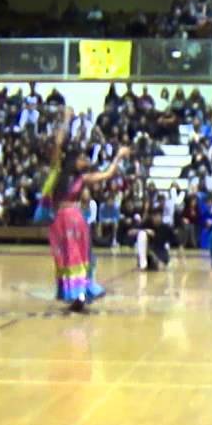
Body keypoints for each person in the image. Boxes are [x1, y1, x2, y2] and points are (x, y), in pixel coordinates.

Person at [46, 108, 130, 312]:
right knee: (65, 257)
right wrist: (66, 120)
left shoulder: (82, 179)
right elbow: (58, 143)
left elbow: (107, 174)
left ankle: (81, 294)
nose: (86, 161)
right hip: (61, 221)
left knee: (78, 256)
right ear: (73, 160)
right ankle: (73, 294)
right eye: (82, 158)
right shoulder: (57, 171)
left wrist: (118, 157)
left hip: (75, 219)